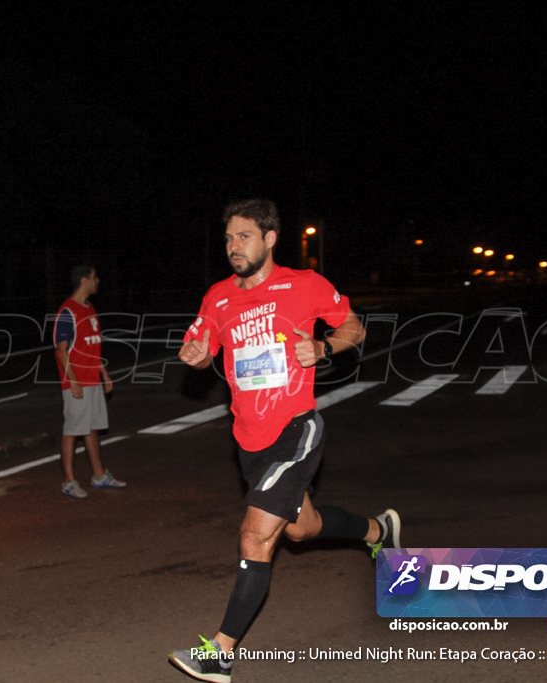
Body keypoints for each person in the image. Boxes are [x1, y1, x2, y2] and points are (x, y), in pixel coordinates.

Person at [169, 199, 401, 681]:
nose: (234, 246)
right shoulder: (218, 297)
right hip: (248, 440)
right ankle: (379, 531)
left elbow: (353, 327)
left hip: (297, 427)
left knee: (256, 536)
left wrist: (321, 346)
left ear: (270, 238)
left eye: (244, 236)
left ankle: (220, 652)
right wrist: (193, 352)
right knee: (301, 529)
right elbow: (200, 340)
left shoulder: (304, 285)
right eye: (229, 238)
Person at [53, 262, 126, 499]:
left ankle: (98, 475)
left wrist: (103, 373)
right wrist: (73, 381)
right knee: (72, 431)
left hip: (92, 380)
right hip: (78, 382)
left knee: (92, 429)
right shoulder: (67, 312)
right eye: (95, 278)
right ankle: (68, 480)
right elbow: (62, 350)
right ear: (85, 279)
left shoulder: (90, 308)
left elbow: (91, 345)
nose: (98, 282)